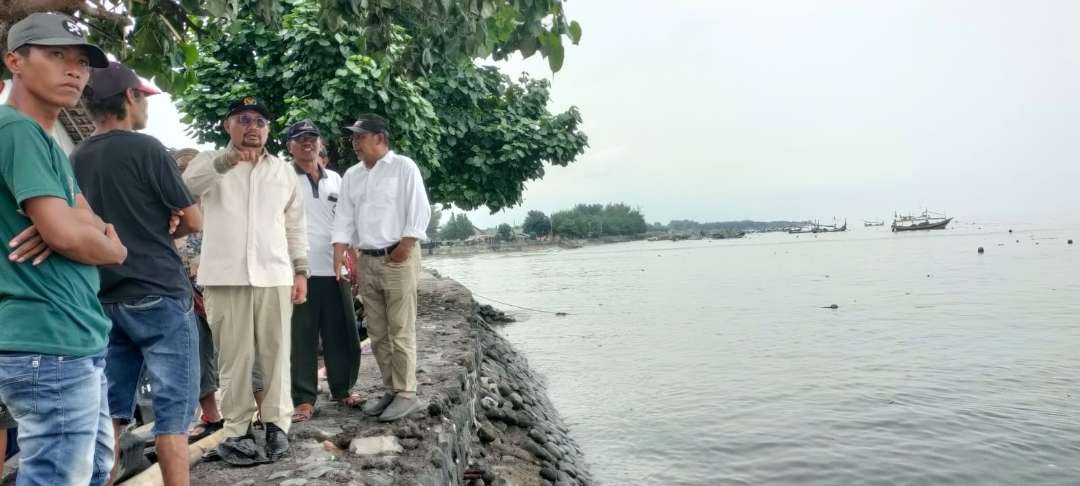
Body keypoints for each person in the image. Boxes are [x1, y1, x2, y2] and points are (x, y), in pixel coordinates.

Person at [0, 12, 123, 485]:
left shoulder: (49, 143)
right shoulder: (17, 132)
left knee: (91, 471)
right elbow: (72, 233)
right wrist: (104, 245)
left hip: (72, 336)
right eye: (55, 56)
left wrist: (76, 225)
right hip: (47, 340)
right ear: (15, 60)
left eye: (81, 62)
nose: (74, 70)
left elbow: (86, 221)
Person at [70, 61, 202, 486]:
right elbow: (193, 220)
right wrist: (171, 223)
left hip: (104, 296)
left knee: (108, 412)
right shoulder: (146, 149)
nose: (145, 106)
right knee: (172, 416)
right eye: (142, 97)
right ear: (129, 98)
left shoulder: (75, 157)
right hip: (159, 291)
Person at [182, 96, 308, 465]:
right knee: (233, 359)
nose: (252, 126)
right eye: (243, 119)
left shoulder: (283, 171)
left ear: (267, 130)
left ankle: (276, 426)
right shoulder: (210, 162)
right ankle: (236, 430)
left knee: (276, 355)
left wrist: (300, 270)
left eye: (259, 121)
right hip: (225, 277)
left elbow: (295, 225)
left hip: (274, 275)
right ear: (228, 126)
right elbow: (186, 189)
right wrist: (226, 161)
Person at [332, 114, 430, 422]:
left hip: (397, 257)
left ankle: (406, 393)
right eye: (353, 138)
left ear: (380, 138)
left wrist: (405, 246)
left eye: (360, 137)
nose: (355, 143)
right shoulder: (352, 175)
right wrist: (340, 252)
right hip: (367, 259)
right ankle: (391, 388)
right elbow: (344, 217)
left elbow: (419, 209)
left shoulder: (403, 168)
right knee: (377, 332)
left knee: (400, 328)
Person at [285, 120, 361, 423]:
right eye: (300, 139)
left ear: (320, 143)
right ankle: (303, 399)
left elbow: (347, 220)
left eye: (312, 138)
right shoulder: (283, 178)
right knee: (301, 337)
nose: (308, 143)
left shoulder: (336, 179)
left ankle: (343, 388)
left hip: (335, 268)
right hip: (298, 270)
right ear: (290, 145)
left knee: (342, 332)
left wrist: (353, 257)